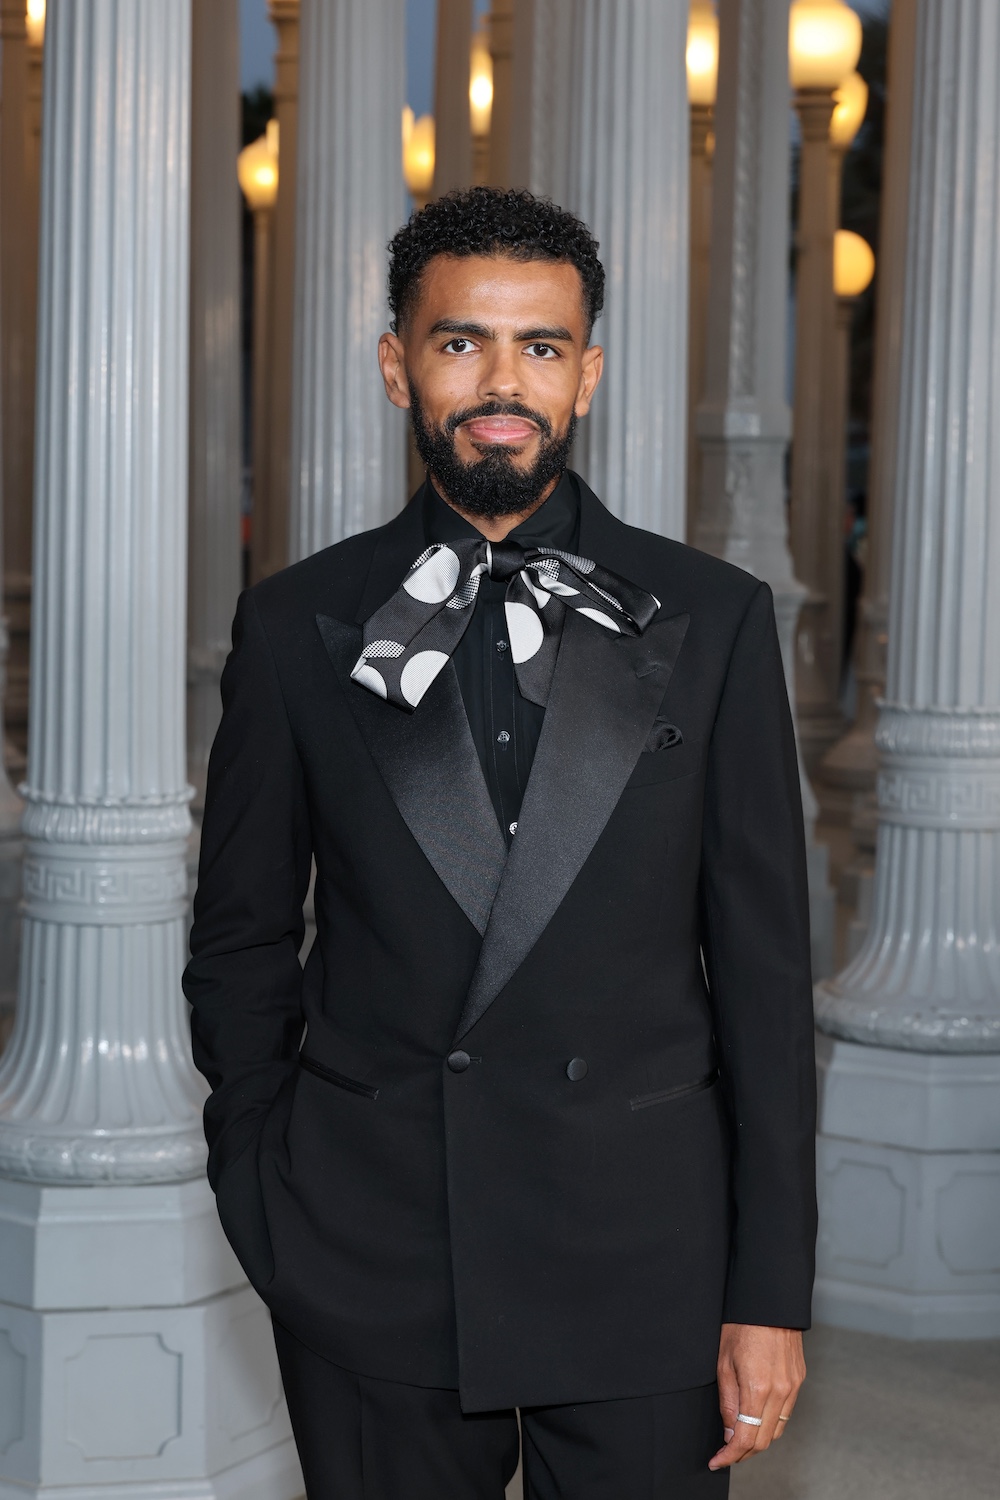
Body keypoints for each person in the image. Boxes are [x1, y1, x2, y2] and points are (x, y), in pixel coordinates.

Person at [185, 187, 816, 1499]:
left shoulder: (713, 619)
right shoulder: (297, 624)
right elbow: (242, 937)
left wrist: (769, 1288)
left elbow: (764, 977)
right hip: (371, 1238)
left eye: (540, 346)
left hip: (644, 1248)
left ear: (586, 374)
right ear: (396, 366)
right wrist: (262, 1183)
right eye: (460, 341)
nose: (501, 383)